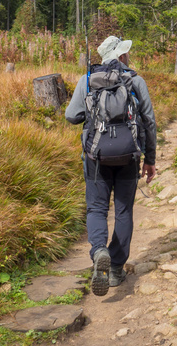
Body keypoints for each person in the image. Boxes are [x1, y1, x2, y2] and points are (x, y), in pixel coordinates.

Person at [65, 35, 157, 296]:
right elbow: (149, 122)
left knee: (96, 208)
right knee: (123, 210)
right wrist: (150, 159)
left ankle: (99, 252)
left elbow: (71, 116)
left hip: (96, 157)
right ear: (122, 56)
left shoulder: (87, 80)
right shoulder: (135, 81)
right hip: (129, 157)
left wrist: (92, 112)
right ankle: (116, 268)